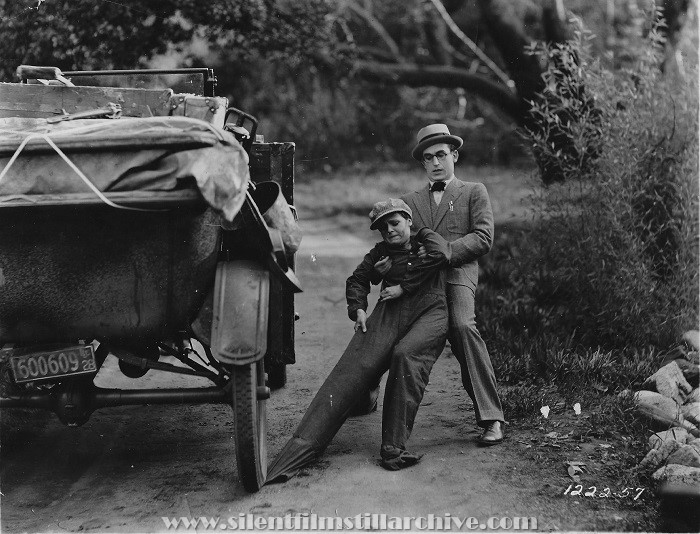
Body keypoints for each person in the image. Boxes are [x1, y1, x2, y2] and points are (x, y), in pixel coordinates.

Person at [266, 198, 450, 481]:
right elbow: (356, 280)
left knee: (405, 356)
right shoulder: (380, 253)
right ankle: (296, 453)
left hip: (430, 311)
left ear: (409, 221)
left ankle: (393, 449)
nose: (389, 231)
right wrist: (359, 309)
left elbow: (442, 255)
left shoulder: (426, 239)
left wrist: (403, 286)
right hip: (391, 311)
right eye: (383, 227)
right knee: (354, 367)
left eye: (395, 223)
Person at [401, 123, 505, 445]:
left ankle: (491, 418)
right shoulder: (410, 201)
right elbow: (401, 243)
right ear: (422, 163)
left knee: (461, 326)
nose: (435, 163)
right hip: (421, 281)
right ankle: (368, 392)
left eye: (441, 155)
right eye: (428, 157)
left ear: (454, 155)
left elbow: (484, 237)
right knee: (396, 331)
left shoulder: (474, 191)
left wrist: (446, 253)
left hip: (458, 275)